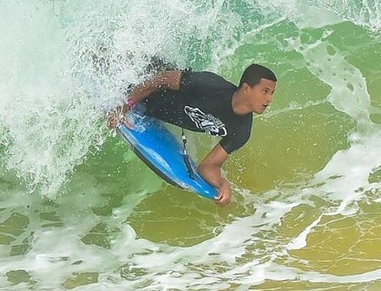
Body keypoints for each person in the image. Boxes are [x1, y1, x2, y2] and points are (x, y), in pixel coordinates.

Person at [108, 62, 277, 207]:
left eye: (271, 93)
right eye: (265, 91)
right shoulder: (212, 85)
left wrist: (221, 184)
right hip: (142, 77)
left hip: (152, 109)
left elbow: (208, 166)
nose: (269, 99)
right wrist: (125, 105)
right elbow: (161, 78)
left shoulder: (242, 130)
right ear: (247, 88)